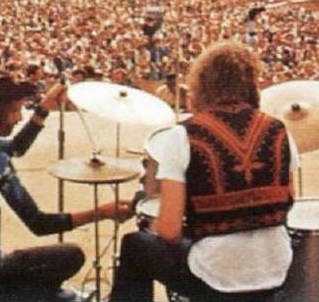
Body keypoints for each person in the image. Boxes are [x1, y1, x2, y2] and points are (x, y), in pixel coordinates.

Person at [112, 41, 299, 302]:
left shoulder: (183, 135)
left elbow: (169, 231)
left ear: (202, 85)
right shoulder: (279, 130)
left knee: (134, 245)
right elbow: (288, 200)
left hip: (218, 277)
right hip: (275, 268)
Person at [0, 76, 132, 299]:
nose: (20, 118)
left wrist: (43, 108)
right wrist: (102, 212)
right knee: (71, 256)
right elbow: (38, 223)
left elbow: (15, 148)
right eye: (14, 111)